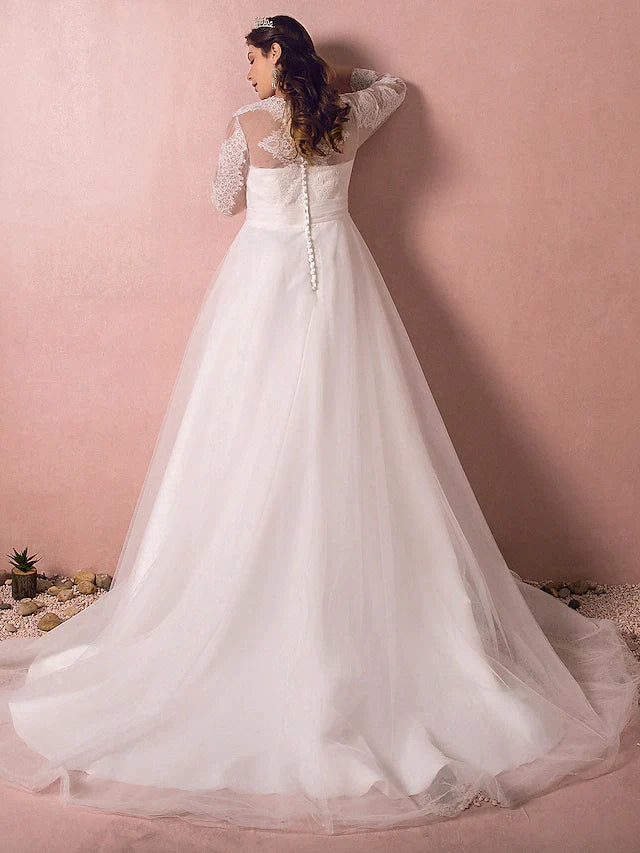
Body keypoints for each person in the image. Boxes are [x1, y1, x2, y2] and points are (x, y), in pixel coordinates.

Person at [0, 14, 638, 837]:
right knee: (357, 432)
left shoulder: (247, 124)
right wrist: (334, 79)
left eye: (253, 58)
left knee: (242, 437)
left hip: (261, 292)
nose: (246, 74)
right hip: (340, 284)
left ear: (276, 56)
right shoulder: (351, 116)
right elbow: (394, 87)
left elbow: (222, 199)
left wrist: (261, 123)